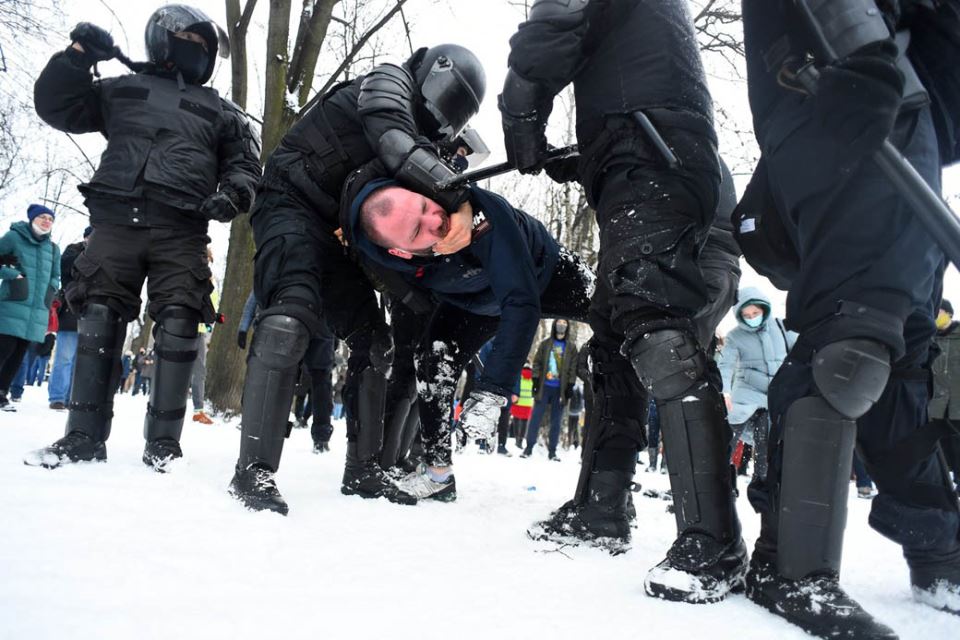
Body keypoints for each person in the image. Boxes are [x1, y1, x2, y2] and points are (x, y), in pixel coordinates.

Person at [500, 0, 745, 600]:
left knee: (653, 326)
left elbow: (553, 30)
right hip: (639, 151)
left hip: (654, 152)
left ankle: (712, 538)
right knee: (610, 342)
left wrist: (522, 121)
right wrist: (578, 161)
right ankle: (604, 505)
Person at [740, 0, 960, 634]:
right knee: (853, 341)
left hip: (909, 108)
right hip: (841, 78)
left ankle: (938, 547)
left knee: (904, 353)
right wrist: (862, 51)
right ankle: (791, 564)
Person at [227, 42, 485, 516]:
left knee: (375, 342)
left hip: (336, 233)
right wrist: (462, 200)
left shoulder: (421, 139)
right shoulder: (386, 84)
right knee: (290, 319)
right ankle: (253, 470)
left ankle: (363, 469)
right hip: (289, 202)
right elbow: (396, 146)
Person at [27, 6, 261, 472]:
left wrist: (233, 195)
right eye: (188, 41)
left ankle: (164, 445)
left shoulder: (222, 110)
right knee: (99, 314)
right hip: (115, 220)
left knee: (179, 321)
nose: (197, 51)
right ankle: (82, 436)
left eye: (203, 46)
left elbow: (246, 165)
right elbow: (57, 106)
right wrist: (76, 57)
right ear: (162, 40)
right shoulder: (119, 90)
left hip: (182, 227)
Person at [341, 166, 595, 502]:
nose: (435, 220)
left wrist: (492, 389)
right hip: (473, 300)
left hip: (540, 274)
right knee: (432, 358)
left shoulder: (480, 217)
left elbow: (521, 302)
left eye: (424, 206)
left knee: (614, 309)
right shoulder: (386, 258)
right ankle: (438, 472)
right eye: (418, 230)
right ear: (401, 252)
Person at [717, 287, 795, 486]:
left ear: (764, 310)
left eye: (755, 313)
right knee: (730, 430)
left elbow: (802, 350)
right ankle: (721, 478)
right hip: (748, 390)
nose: (751, 317)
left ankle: (763, 481)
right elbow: (725, 365)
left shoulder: (782, 327)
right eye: (747, 315)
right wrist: (724, 391)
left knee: (767, 439)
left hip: (778, 392)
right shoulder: (735, 336)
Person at [0, 204, 60, 412]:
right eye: (42, 217)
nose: (46, 221)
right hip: (13, 302)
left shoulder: (53, 248)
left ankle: (2, 393)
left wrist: (51, 290)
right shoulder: (13, 237)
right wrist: (13, 275)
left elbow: (55, 275)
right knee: (4, 348)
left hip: (37, 309)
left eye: (50, 219)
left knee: (19, 354)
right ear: (32, 219)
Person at [521, 319, 579, 460]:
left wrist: (570, 386)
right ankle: (528, 448)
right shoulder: (546, 344)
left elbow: (573, 368)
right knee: (535, 418)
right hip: (544, 388)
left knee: (556, 421)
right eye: (559, 323)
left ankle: (552, 451)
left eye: (564, 324)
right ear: (554, 325)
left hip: (560, 390)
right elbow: (537, 363)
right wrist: (535, 380)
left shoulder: (571, 347)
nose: (562, 326)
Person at [48, 226, 90, 410]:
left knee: (80, 361)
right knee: (64, 358)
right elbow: (66, 272)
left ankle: (71, 397)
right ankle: (57, 396)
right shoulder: (73, 250)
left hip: (91, 313)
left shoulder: (106, 254)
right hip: (71, 311)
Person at [929, 298, 960, 493]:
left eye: (939, 311)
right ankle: (943, 481)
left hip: (958, 401)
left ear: (949, 313)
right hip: (937, 403)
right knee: (941, 444)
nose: (936, 316)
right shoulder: (930, 339)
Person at [511, 362, 535, 449]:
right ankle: (520, 440)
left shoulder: (519, 375)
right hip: (528, 403)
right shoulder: (532, 377)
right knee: (524, 422)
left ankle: (516, 438)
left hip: (518, 401)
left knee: (516, 420)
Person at [566, 382, 584, 450]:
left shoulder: (571, 387)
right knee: (576, 429)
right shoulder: (580, 388)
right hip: (577, 413)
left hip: (571, 412)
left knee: (571, 429)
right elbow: (582, 401)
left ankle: (570, 444)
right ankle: (575, 444)